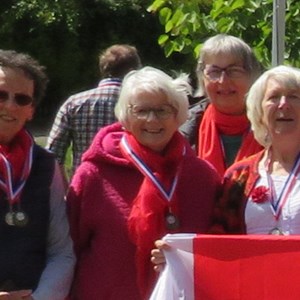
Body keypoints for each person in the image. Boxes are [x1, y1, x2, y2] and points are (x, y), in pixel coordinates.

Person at [66, 66, 221, 299]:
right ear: (126, 116)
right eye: (142, 110)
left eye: (162, 110)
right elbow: (69, 248)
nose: (152, 119)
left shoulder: (203, 177)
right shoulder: (93, 175)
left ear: (179, 115)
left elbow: (217, 250)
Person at [151, 65, 300, 271]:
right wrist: (177, 257)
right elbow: (219, 242)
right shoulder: (239, 175)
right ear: (259, 111)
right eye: (273, 97)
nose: (283, 104)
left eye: (294, 96)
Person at [0, 49, 75, 299]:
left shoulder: (45, 165)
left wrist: (39, 298)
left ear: (31, 110)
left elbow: (61, 252)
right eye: (1, 95)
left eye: (21, 99)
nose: (10, 105)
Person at [46, 44, 142, 176]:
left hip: (86, 185)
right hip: (132, 187)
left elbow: (53, 155)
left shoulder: (74, 103)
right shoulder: (141, 104)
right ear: (132, 71)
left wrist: (68, 189)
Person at [180, 34, 263, 176]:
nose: (223, 81)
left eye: (234, 70)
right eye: (214, 71)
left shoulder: (274, 127)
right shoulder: (182, 130)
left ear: (252, 74)